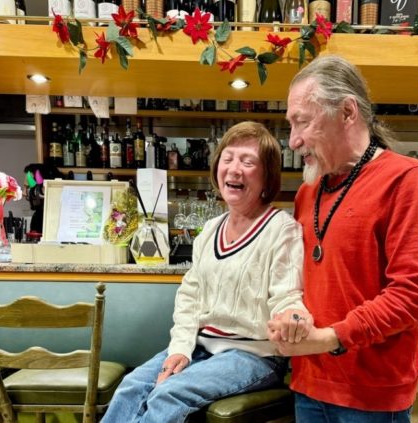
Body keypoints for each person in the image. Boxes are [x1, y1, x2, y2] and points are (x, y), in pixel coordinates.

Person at [267, 55, 418, 422]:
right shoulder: (308, 192)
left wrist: (331, 338)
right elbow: (299, 280)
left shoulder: (406, 178)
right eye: (290, 124)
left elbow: (412, 296)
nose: (293, 141)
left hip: (372, 392)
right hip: (309, 382)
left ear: (347, 112)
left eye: (303, 122)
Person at [102, 121, 311, 423]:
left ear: (267, 176)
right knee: (131, 386)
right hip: (201, 346)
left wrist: (293, 314)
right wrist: (180, 349)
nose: (234, 169)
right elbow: (190, 297)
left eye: (247, 162)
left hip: (255, 356)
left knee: (168, 394)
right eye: (228, 158)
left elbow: (287, 296)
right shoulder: (210, 230)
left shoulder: (282, 229)